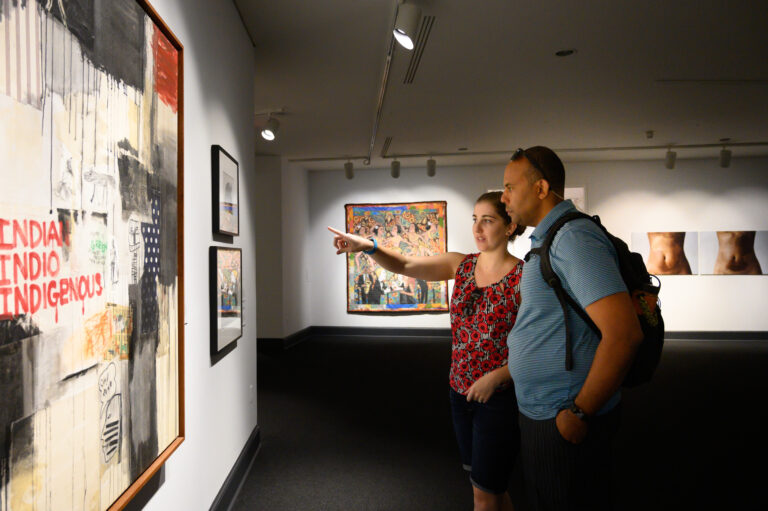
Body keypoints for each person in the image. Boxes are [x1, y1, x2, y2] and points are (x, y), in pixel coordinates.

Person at [329, 192, 525, 511]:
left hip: (499, 396)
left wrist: (498, 376)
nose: (478, 228)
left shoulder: (524, 277)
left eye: (488, 220)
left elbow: (539, 345)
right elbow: (406, 263)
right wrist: (368, 246)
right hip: (459, 393)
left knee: (483, 496)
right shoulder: (460, 265)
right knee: (491, 486)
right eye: (475, 219)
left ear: (509, 225)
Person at [500, 147, 643, 511]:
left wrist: (580, 412)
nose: (503, 198)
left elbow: (624, 334)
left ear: (541, 188)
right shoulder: (550, 240)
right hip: (545, 412)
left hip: (564, 414)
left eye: (509, 188)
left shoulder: (572, 240)